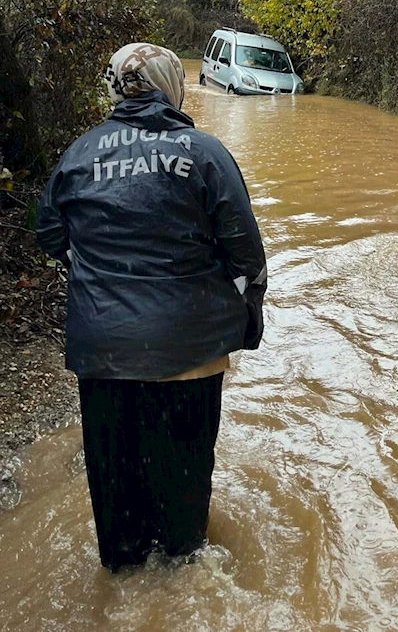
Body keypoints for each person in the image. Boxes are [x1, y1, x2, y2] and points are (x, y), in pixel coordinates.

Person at [36, 42, 267, 572]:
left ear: (115, 87)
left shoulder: (78, 153)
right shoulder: (205, 153)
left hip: (103, 355)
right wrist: (245, 323)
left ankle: (119, 593)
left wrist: (93, 268)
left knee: (119, 533)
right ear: (171, 87)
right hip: (190, 355)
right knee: (184, 534)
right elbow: (247, 256)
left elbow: (49, 232)